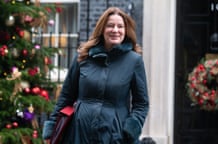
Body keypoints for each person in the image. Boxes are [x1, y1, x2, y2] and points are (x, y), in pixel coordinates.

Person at [42, 6, 149, 144]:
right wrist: (51, 129)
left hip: (115, 135)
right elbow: (66, 97)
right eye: (110, 26)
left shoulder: (134, 61)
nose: (115, 30)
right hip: (79, 133)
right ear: (102, 29)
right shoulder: (83, 57)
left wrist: (130, 128)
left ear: (126, 30)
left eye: (120, 26)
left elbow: (141, 103)